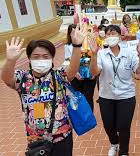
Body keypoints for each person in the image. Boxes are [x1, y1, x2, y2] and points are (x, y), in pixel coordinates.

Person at [1, 27, 84, 155]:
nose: (41, 60)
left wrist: (77, 46)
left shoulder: (58, 76)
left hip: (61, 137)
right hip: (35, 140)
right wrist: (11, 60)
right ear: (29, 58)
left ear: (51, 59)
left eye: (45, 56)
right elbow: (7, 78)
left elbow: (72, 69)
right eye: (36, 56)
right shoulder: (22, 77)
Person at [89, 25, 140, 156]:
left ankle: (124, 151)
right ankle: (114, 144)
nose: (110, 37)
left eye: (113, 33)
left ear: (120, 36)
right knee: (109, 126)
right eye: (108, 34)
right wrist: (93, 54)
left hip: (126, 96)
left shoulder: (130, 53)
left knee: (124, 126)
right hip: (106, 96)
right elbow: (94, 71)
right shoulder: (102, 54)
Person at [64, 24, 97, 111]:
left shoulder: (88, 43)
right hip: (76, 76)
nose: (76, 33)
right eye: (73, 32)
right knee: (77, 97)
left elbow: (94, 57)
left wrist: (93, 72)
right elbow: (67, 61)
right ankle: (80, 118)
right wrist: (75, 73)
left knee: (88, 97)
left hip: (89, 75)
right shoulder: (67, 46)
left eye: (77, 31)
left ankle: (89, 118)